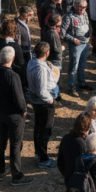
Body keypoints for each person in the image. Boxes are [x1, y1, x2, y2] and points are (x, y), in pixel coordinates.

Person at [0, 46, 33, 185]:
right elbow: (19, 97)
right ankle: (16, 175)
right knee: (15, 144)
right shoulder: (13, 76)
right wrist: (23, 109)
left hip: (0, 112)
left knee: (1, 141)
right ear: (13, 59)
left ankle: (0, 171)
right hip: (14, 115)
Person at [28, 41, 57, 169]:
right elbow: (41, 91)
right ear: (47, 53)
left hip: (37, 102)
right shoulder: (40, 68)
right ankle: (43, 159)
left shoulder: (32, 62)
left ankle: (38, 153)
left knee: (38, 128)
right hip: (44, 103)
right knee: (45, 130)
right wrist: (50, 99)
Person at [58, 114, 93, 183]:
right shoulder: (82, 144)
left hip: (68, 176)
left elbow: (60, 159)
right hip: (78, 180)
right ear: (88, 128)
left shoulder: (66, 137)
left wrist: (64, 173)